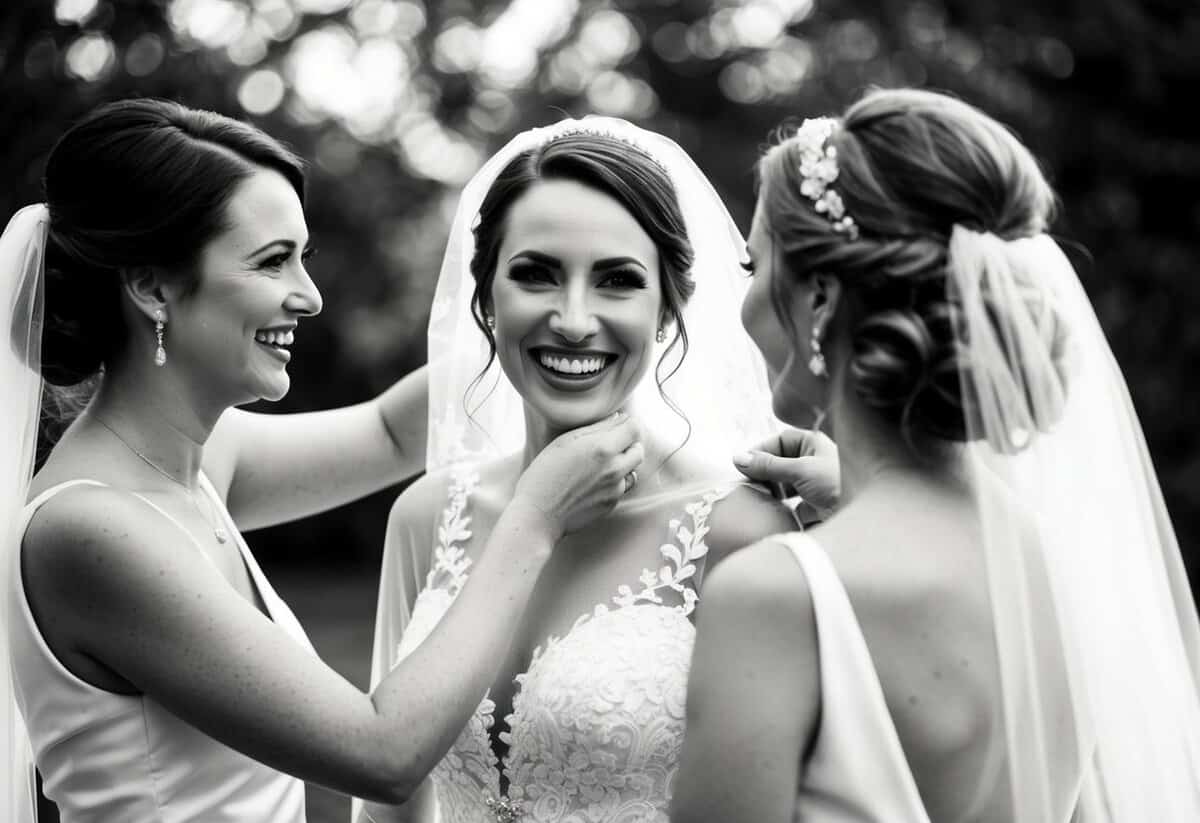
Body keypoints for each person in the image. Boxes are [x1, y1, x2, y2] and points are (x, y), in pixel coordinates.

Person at [0, 99, 646, 822]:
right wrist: (535, 517)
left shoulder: (195, 460)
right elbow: (382, 753)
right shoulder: (89, 531)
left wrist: (550, 324)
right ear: (153, 287)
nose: (309, 295)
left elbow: (390, 434)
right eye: (274, 260)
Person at [672, 88, 1200, 822]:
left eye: (750, 264)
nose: (745, 301)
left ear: (821, 299)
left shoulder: (775, 593)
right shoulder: (1043, 559)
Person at [357, 118, 798, 823]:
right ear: (486, 295)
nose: (572, 318)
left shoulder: (745, 530)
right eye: (535, 274)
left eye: (617, 281)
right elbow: (387, 802)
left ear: (667, 310)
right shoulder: (426, 515)